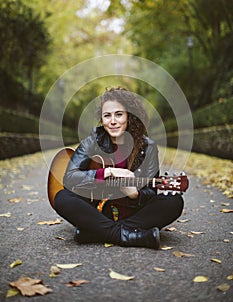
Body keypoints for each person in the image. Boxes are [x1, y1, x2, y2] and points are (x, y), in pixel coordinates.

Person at [54, 87, 184, 249]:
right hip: (96, 209)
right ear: (102, 119)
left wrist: (136, 195)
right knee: (62, 197)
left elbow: (151, 191)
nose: (113, 121)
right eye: (107, 116)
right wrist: (107, 172)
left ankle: (95, 232)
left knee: (174, 202)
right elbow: (69, 177)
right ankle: (126, 234)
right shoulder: (91, 142)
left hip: (132, 211)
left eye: (119, 114)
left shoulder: (148, 147)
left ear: (129, 116)